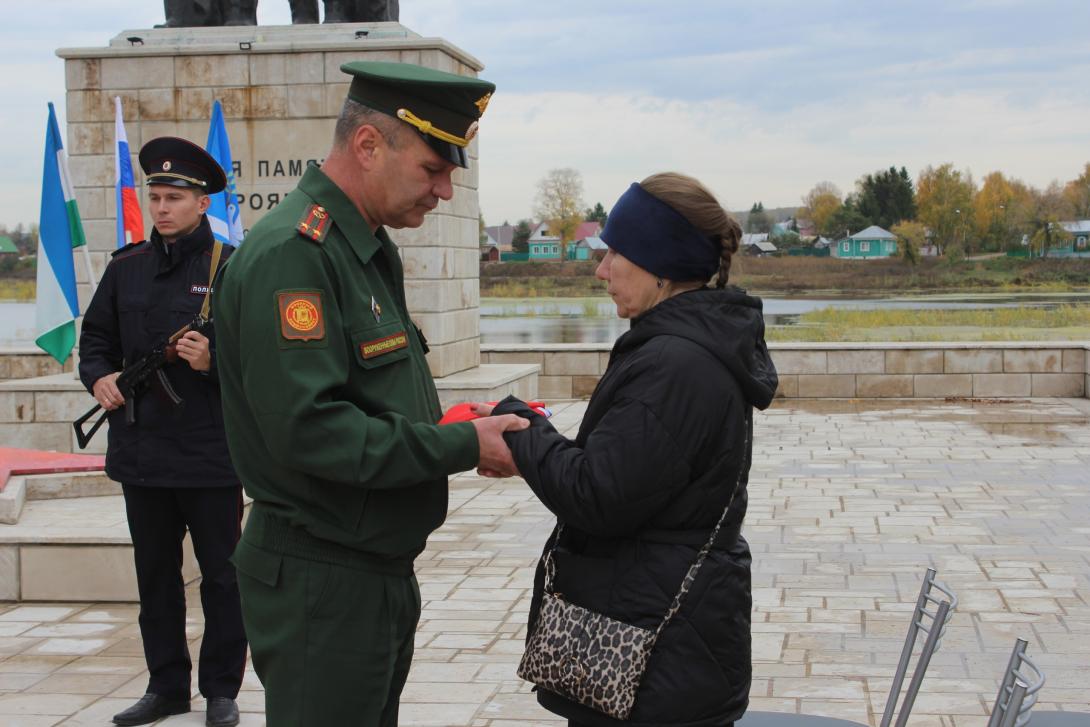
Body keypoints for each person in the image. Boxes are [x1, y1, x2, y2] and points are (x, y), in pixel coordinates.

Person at [212, 61, 526, 727]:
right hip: (322, 579)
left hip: (365, 570)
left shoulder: (360, 246)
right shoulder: (295, 254)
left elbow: (366, 399)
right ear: (367, 145)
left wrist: (454, 424)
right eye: (432, 168)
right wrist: (462, 444)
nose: (444, 190)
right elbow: (311, 430)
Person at [478, 173, 779, 727]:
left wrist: (519, 433)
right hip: (663, 648)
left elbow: (599, 494)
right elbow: (627, 475)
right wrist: (525, 430)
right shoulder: (684, 349)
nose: (602, 269)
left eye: (616, 253)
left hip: (656, 664)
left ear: (660, 264)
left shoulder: (675, 365)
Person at [78, 137, 247, 727]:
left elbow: (261, 358)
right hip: (142, 451)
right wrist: (100, 378)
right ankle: (166, 688)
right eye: (156, 197)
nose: (162, 208)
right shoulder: (126, 267)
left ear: (203, 203)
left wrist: (212, 362)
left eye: (174, 198)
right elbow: (95, 340)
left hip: (210, 454)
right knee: (155, 579)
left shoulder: (231, 268)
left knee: (223, 577)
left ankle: (221, 690)